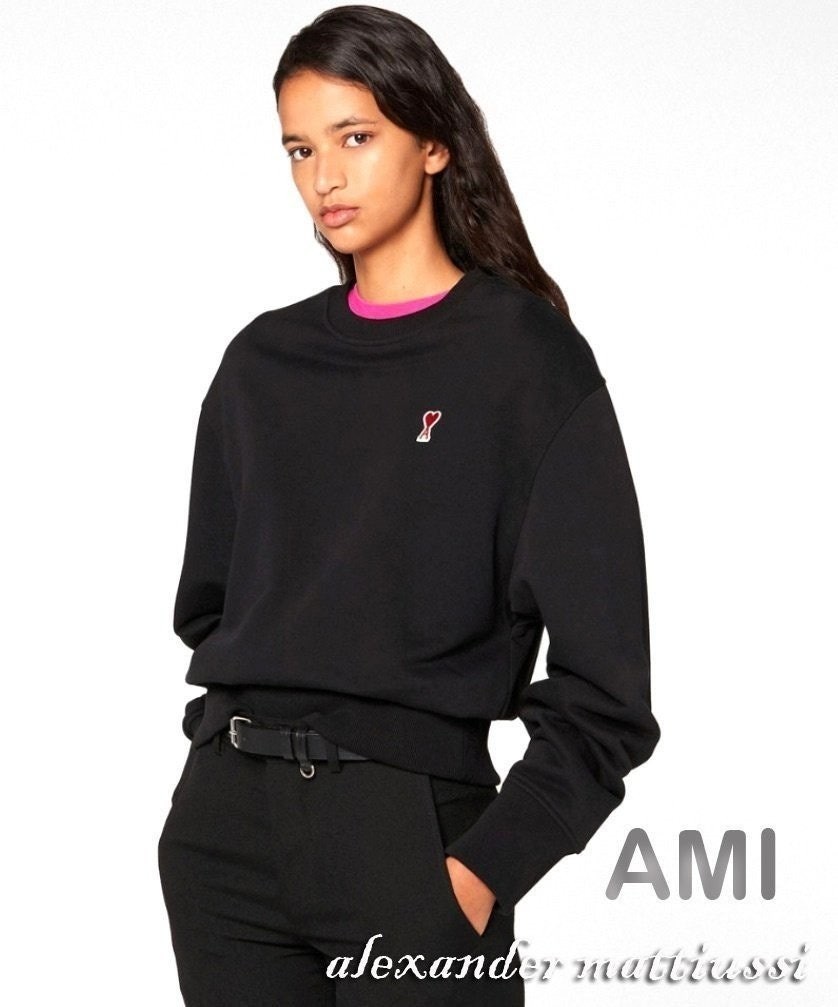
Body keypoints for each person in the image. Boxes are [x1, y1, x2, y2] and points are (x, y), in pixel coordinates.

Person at [156, 5, 661, 1005]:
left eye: (355, 137)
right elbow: (212, 606)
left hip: (412, 836)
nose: (323, 178)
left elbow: (607, 690)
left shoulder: (526, 363)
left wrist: (481, 871)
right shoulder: (261, 364)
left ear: (434, 142)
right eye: (300, 148)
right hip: (225, 839)